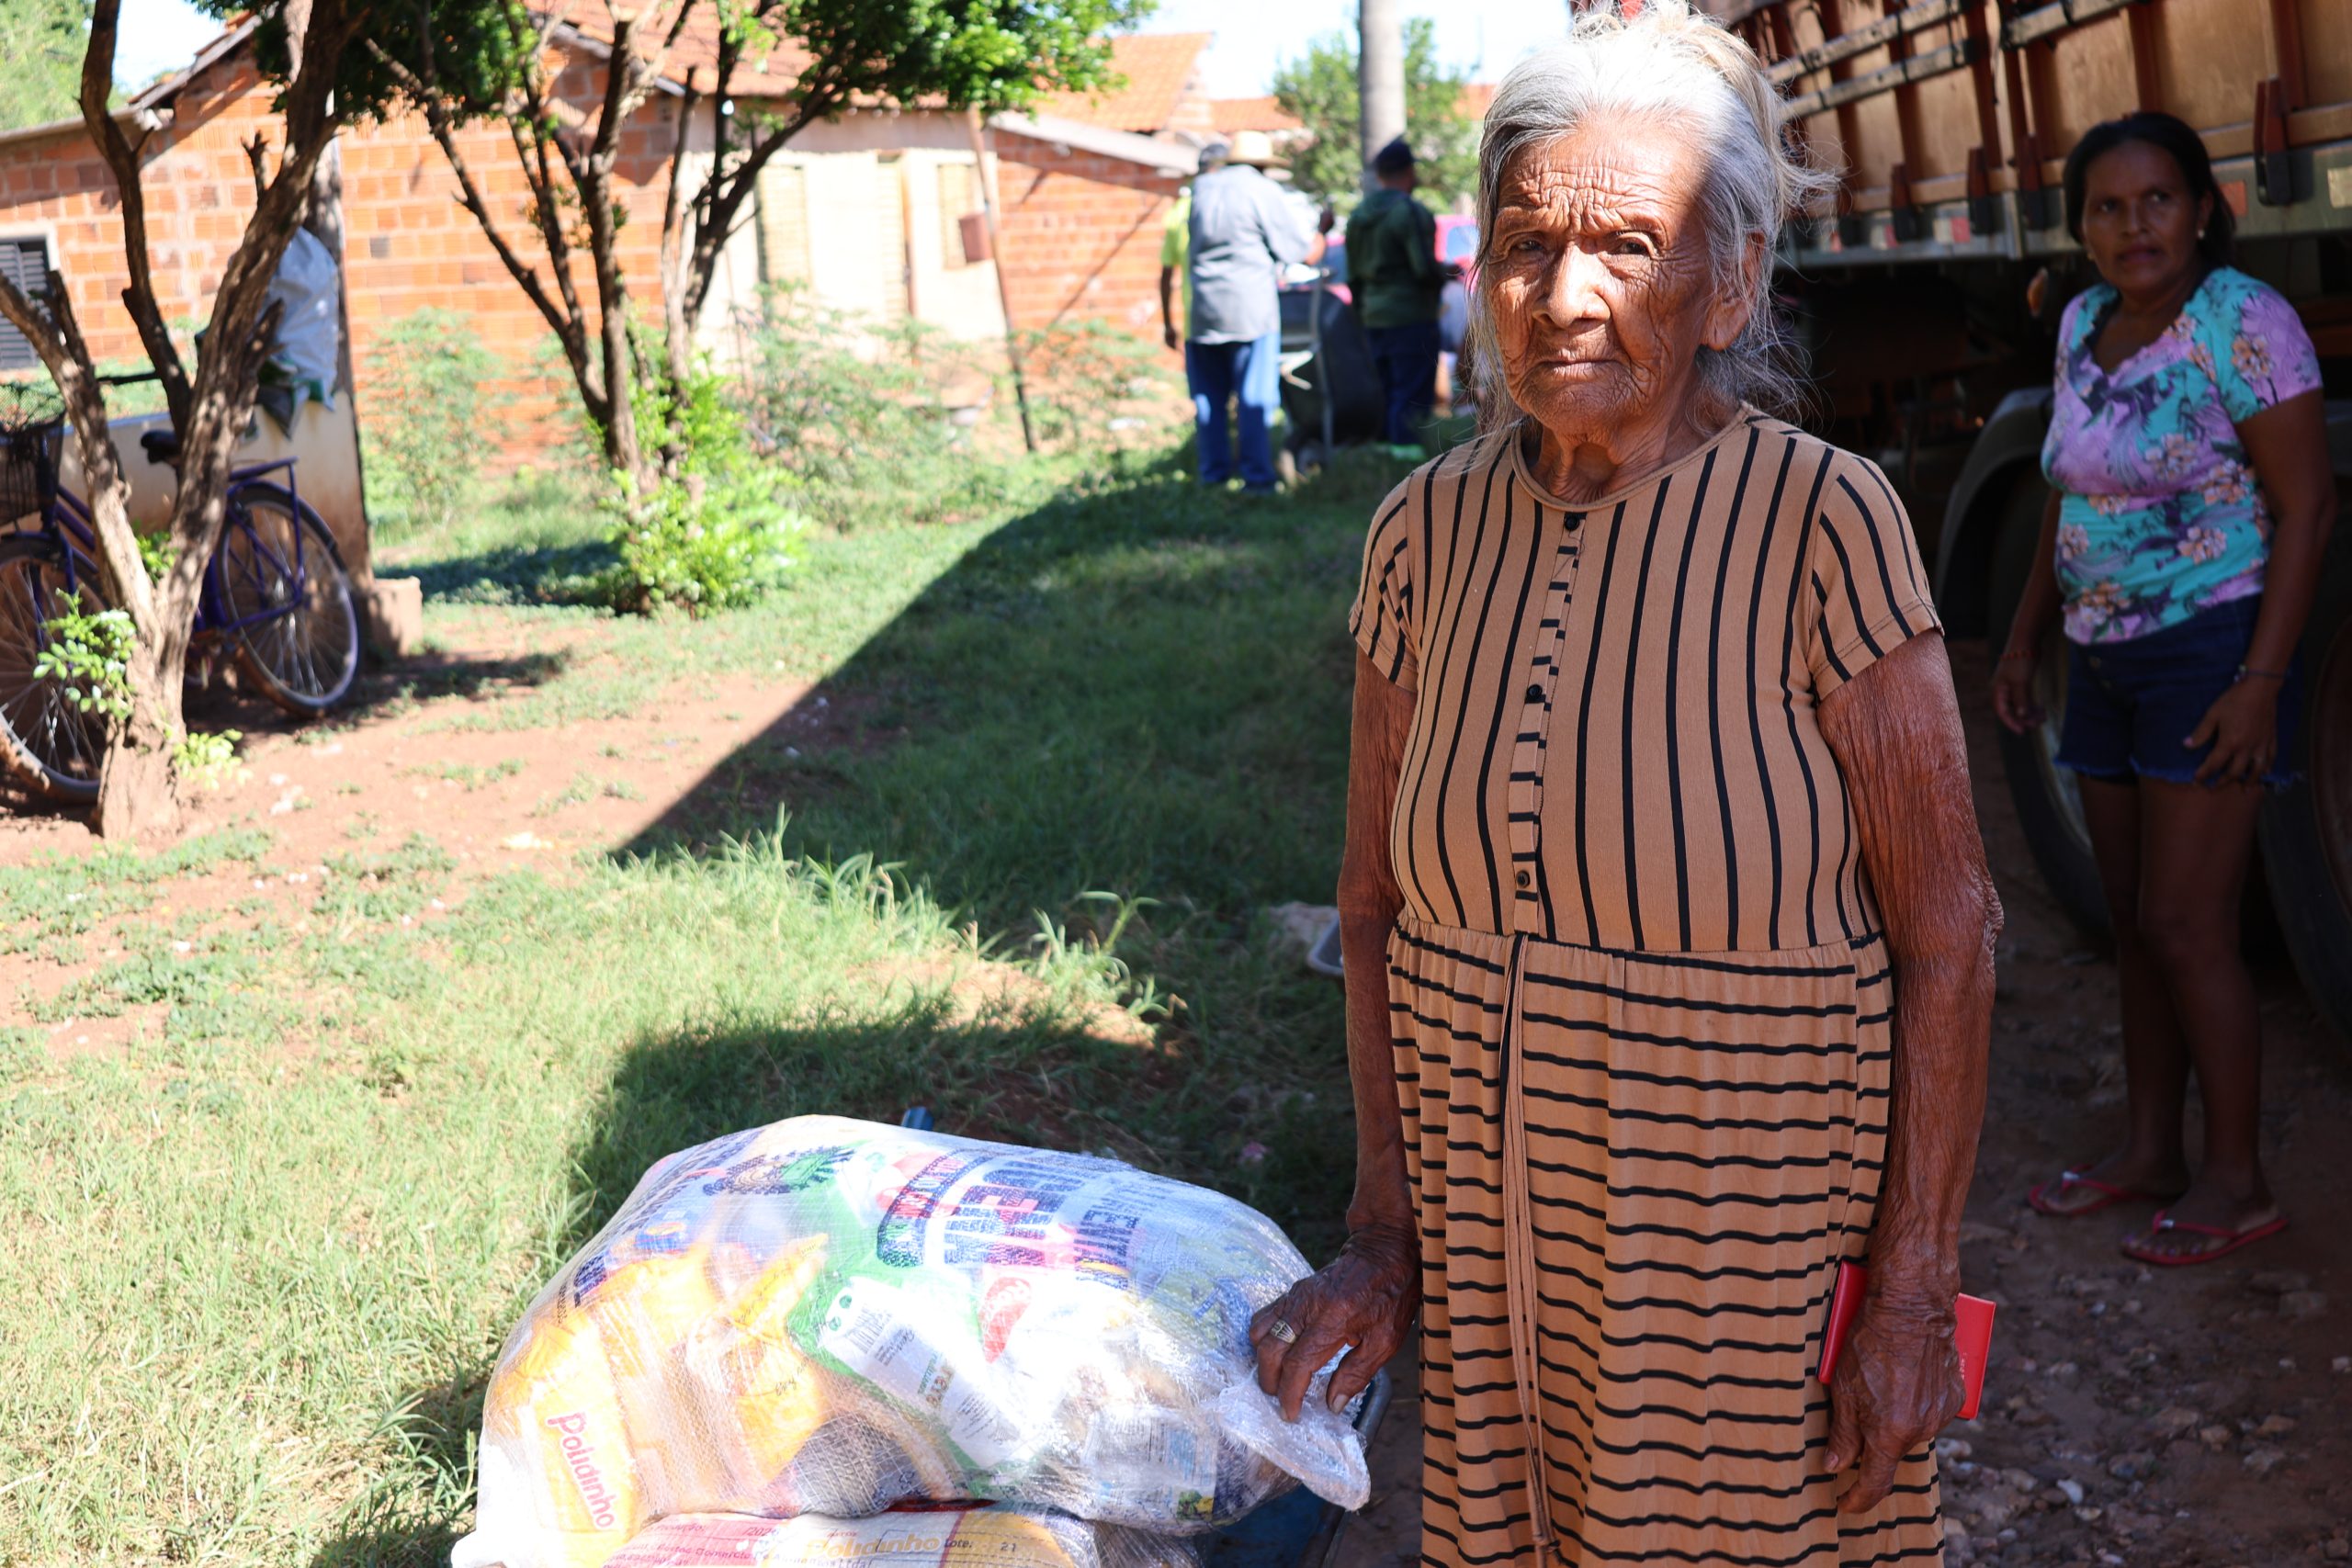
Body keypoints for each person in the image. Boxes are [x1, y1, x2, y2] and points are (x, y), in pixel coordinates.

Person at [1248, 6, 2001, 1563]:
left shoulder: (1826, 525)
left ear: (1730, 284)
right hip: (1496, 1260)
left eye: (1628, 247)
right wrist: (1380, 1240)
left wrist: (1915, 1290)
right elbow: (1373, 909)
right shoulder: (1421, 535)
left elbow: (1951, 929)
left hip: (1747, 1272)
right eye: (1526, 244)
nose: (1565, 296)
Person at [1998, 112, 2332, 1265]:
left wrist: (2261, 682)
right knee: (2136, 925)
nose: (2131, 224)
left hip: (2209, 651)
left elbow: (2307, 509)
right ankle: (2150, 1151)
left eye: (2155, 200)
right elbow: (2065, 492)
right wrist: (2022, 637)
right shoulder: (2085, 320)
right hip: (2099, 657)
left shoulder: (2246, 322)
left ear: (2200, 208)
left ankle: (2237, 1182)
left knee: (2191, 926)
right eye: (2105, 205)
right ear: (2079, 226)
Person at [1182, 130, 1330, 492]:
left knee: (1208, 398)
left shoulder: (1203, 188)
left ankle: (1213, 477)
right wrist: (1323, 231)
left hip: (1202, 311)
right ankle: (1257, 480)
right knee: (1254, 397)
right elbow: (1300, 253)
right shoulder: (1262, 190)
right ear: (1263, 165)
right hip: (1248, 310)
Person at [1345, 136, 1446, 458]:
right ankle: (1407, 461)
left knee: (1384, 387)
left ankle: (1383, 450)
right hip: (1410, 315)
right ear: (1407, 172)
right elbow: (1423, 269)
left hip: (1372, 315)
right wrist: (1447, 275)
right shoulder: (1410, 212)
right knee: (1412, 391)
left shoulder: (1358, 215)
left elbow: (1353, 274)